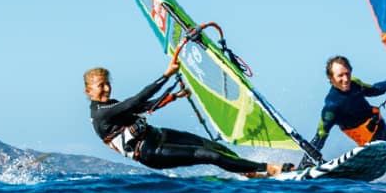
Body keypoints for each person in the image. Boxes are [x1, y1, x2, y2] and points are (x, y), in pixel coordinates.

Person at [85, 57, 290, 177]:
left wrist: (175, 96)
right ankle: (269, 168)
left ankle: (248, 171)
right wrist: (166, 75)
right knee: (211, 156)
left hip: (157, 135)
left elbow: (145, 107)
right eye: (100, 85)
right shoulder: (101, 113)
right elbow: (136, 101)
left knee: (214, 147)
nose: (106, 88)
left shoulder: (111, 104)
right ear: (88, 91)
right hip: (150, 152)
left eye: (107, 83)